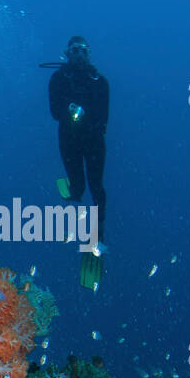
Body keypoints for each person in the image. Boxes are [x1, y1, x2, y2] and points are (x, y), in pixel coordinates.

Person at [48, 37, 109, 287]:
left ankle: (96, 236)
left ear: (89, 54)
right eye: (75, 50)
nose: (80, 55)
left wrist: (88, 124)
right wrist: (69, 109)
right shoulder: (58, 80)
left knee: (97, 188)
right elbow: (54, 112)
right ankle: (73, 191)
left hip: (93, 141)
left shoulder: (100, 81)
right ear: (67, 54)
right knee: (78, 189)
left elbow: (104, 116)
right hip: (69, 141)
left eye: (84, 50)